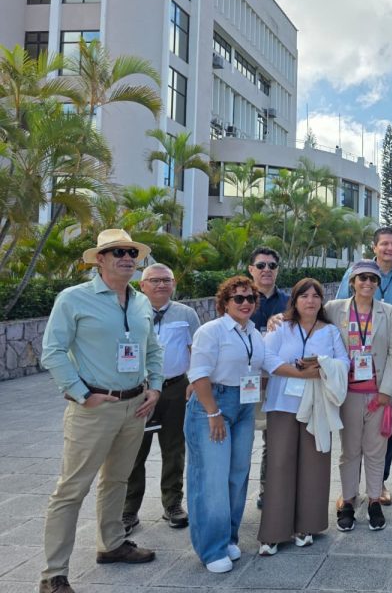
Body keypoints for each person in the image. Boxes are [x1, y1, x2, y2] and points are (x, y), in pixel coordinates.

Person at [39, 229, 163, 593]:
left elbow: (152, 349)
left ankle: (112, 544)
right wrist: (82, 394)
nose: (126, 258)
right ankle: (53, 574)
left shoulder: (140, 302)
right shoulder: (73, 298)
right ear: (100, 260)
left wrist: (155, 387)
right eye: (117, 252)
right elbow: (53, 351)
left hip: (135, 406)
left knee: (118, 480)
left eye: (131, 252)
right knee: (71, 490)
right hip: (94, 409)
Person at [258, 278, 350, 555]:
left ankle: (307, 526)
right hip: (283, 404)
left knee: (314, 465)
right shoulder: (280, 327)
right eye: (304, 296)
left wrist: (322, 366)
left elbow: (343, 362)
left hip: (316, 405)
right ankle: (274, 532)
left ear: (322, 301)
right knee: (279, 465)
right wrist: (299, 373)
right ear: (295, 300)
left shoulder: (330, 331)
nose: (310, 301)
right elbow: (266, 358)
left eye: (315, 296)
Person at [185, 276, 266, 573]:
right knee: (212, 478)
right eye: (238, 298)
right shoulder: (211, 331)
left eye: (250, 298)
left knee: (237, 474)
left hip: (244, 405)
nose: (245, 303)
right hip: (213, 404)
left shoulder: (253, 332)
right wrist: (212, 412)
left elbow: (265, 365)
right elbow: (198, 373)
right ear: (224, 303)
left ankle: (229, 536)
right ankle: (212, 548)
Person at [336, 227, 392, 506]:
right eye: (384, 244)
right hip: (354, 368)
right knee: (351, 435)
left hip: (390, 361)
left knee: (384, 429)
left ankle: (379, 482)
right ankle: (349, 488)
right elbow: (334, 311)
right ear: (374, 247)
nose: (389, 248)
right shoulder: (355, 272)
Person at [123, 264, 201, 535]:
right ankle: (128, 509)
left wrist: (195, 383)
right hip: (139, 391)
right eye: (154, 280)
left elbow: (197, 350)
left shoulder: (186, 313)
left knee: (174, 449)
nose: (161, 285)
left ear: (173, 284)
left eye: (166, 280)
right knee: (134, 451)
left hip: (175, 388)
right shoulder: (130, 312)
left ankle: (173, 504)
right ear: (142, 285)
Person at [326, 260, 392, 532]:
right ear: (352, 282)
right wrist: (277, 319)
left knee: (375, 451)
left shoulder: (388, 312)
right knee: (349, 451)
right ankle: (348, 500)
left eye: (373, 279)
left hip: (377, 395)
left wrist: (386, 391)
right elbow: (306, 317)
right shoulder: (334, 309)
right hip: (347, 394)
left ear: (378, 283)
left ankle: (374, 501)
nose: (367, 283)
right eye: (362, 278)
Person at [248, 246, 289, 510]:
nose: (266, 270)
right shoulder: (240, 298)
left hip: (278, 380)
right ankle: (235, 492)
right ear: (251, 269)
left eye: (272, 266)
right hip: (245, 382)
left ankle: (268, 489)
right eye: (261, 265)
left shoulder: (289, 302)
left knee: (273, 440)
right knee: (241, 439)